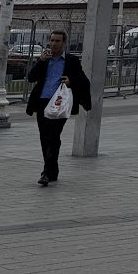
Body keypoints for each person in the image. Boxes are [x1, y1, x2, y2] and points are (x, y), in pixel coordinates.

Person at [26, 29, 92, 187]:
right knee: (44, 136)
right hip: (42, 102)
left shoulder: (71, 61)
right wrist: (40, 61)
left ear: (64, 43)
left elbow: (84, 81)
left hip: (59, 103)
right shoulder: (45, 60)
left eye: (57, 41)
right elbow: (31, 78)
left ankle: (46, 172)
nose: (54, 44)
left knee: (54, 137)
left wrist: (71, 81)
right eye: (52, 40)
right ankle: (51, 170)